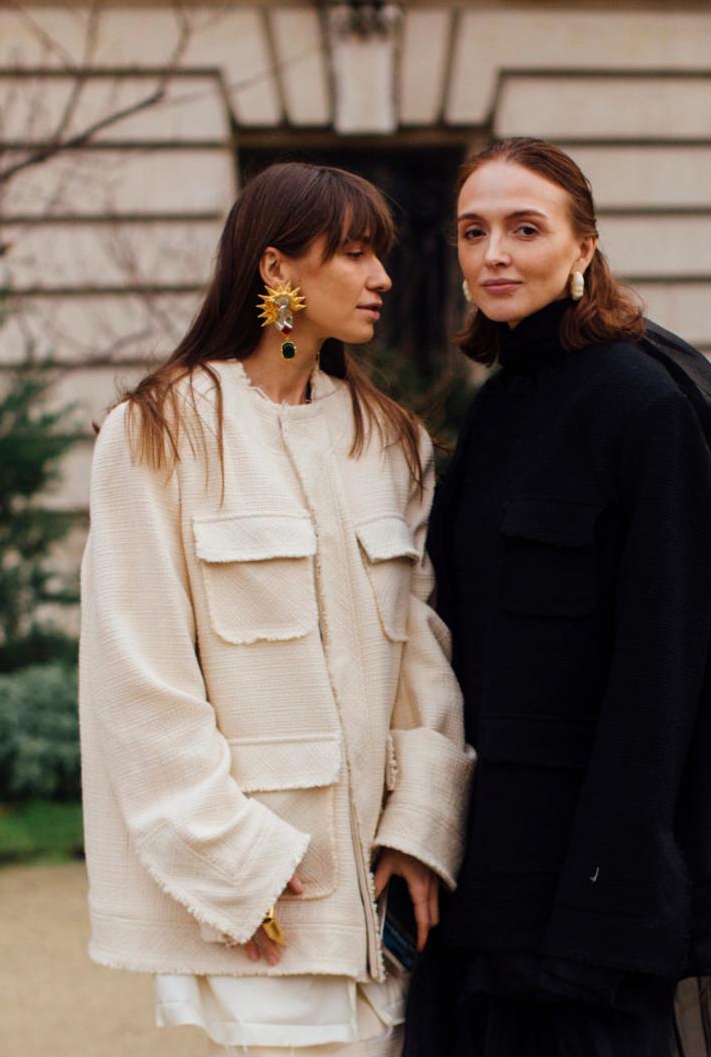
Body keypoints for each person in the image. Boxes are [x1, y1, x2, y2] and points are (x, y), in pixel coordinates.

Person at [404, 138, 711, 1057]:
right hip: (496, 851)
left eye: (526, 229)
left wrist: (611, 889)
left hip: (598, 868)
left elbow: (666, 667)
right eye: (473, 233)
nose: (495, 255)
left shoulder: (641, 408)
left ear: (584, 248)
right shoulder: (498, 405)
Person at [78, 162, 475, 1057]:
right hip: (269, 900)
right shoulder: (159, 433)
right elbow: (137, 676)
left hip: (387, 905)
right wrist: (234, 865)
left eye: (383, 256)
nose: (382, 279)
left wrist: (422, 829)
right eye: (355, 254)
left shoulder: (391, 442)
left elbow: (423, 655)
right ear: (276, 271)